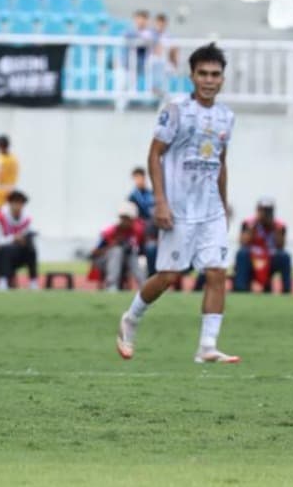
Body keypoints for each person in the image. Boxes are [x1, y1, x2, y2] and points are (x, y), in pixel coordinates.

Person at [116, 43, 239, 364]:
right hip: (178, 209)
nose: (209, 80)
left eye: (215, 74)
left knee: (216, 272)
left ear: (223, 78)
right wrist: (160, 201)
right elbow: (154, 154)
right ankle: (131, 318)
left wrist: (223, 207)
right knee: (170, 276)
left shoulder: (227, 117)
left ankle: (207, 346)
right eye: (203, 74)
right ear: (192, 76)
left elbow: (221, 163)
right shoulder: (176, 110)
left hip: (210, 209)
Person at [235, 197, 292, 294]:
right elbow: (243, 243)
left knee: (285, 256)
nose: (266, 214)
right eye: (263, 210)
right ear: (258, 210)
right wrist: (254, 227)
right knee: (242, 253)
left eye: (269, 211)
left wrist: (274, 229)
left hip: (270, 258)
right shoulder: (248, 223)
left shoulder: (279, 226)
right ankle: (241, 287)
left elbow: (281, 246)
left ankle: (286, 289)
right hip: (252, 257)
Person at [0, 190, 37, 290]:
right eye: (16, 203)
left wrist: (25, 240)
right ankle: (2, 280)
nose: (18, 206)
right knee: (6, 249)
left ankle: (33, 281)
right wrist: (14, 238)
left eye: (21, 203)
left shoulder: (26, 220)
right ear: (10, 204)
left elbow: (28, 235)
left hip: (16, 256)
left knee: (31, 247)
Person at [92, 202, 147, 292]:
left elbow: (142, 252)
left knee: (132, 253)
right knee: (117, 251)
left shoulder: (137, 232)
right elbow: (94, 253)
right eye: (123, 218)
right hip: (104, 262)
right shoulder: (110, 232)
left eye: (128, 218)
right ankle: (111, 285)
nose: (126, 221)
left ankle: (144, 286)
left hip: (127, 261)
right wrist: (112, 245)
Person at [127, 166, 158, 274]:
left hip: (154, 230)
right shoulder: (132, 197)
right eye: (136, 178)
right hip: (141, 232)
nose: (138, 180)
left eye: (140, 177)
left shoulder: (153, 194)